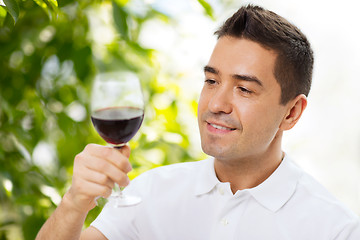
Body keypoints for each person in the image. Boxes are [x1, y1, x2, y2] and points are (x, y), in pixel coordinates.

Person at [36, 4, 360, 240]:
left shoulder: (335, 230)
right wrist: (74, 203)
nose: (216, 104)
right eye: (211, 81)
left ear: (291, 113)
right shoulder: (150, 195)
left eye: (244, 89)